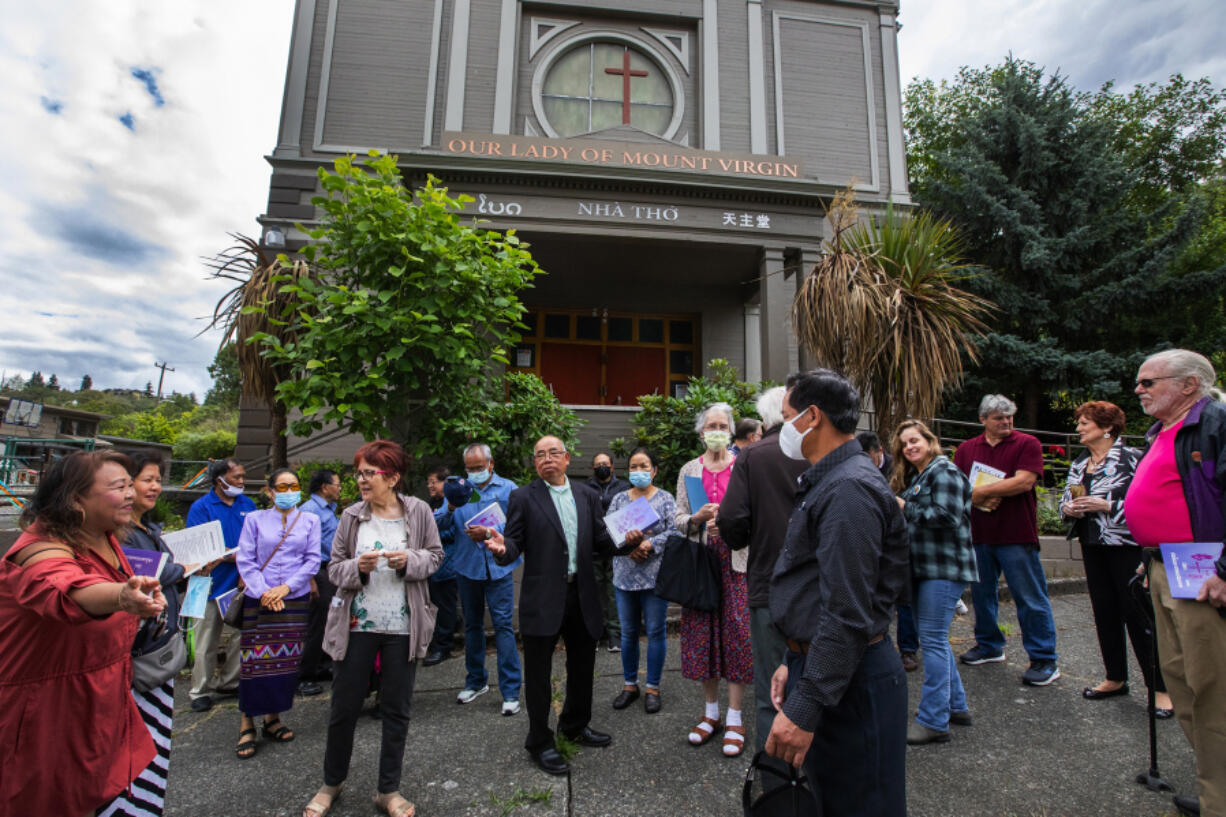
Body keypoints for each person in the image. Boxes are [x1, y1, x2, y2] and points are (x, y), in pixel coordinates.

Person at [766, 369, 909, 817]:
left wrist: (806, 705)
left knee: (861, 803)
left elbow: (846, 612)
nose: (780, 431)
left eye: (786, 418)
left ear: (812, 417)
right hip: (829, 668)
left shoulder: (849, 489)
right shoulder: (831, 479)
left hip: (855, 681)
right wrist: (796, 661)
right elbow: (816, 587)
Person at [0, 451, 165, 817]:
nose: (130, 494)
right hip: (47, 716)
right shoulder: (40, 549)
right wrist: (122, 596)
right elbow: (67, 588)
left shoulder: (103, 535)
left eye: (129, 485)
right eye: (118, 486)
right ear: (76, 499)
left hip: (99, 705)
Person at [304, 440, 442, 817]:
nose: (361, 480)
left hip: (403, 626)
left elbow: (434, 556)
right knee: (343, 708)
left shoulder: (419, 511)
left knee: (397, 710)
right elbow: (334, 569)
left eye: (370, 473)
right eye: (359, 473)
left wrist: (408, 560)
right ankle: (332, 783)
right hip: (355, 626)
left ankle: (388, 791)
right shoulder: (350, 516)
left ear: (393, 477)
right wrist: (357, 569)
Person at [485, 436, 626, 776]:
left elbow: (602, 541)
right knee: (537, 675)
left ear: (566, 459)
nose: (547, 459)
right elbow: (515, 541)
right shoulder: (523, 497)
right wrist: (504, 548)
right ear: (535, 463)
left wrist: (628, 538)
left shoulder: (587, 495)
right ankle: (539, 741)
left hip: (582, 593)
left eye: (553, 453)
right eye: (539, 455)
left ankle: (575, 726)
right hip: (543, 597)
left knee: (581, 667)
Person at [1124, 350, 1226, 817]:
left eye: (1149, 382)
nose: (1139, 389)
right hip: (1169, 568)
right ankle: (1214, 792)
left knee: (1212, 691)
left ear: (1188, 385)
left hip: (1207, 576)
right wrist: (1152, 558)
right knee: (1183, 685)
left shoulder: (1214, 423)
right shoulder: (1164, 431)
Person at [1059, 401, 1172, 716]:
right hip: (1092, 543)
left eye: (1085, 422)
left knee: (1137, 614)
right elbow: (1066, 497)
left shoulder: (1133, 458)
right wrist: (1067, 508)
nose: (1079, 427)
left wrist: (1108, 507)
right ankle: (1115, 677)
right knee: (1104, 611)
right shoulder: (1081, 463)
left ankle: (1160, 688)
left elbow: (1150, 501)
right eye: (1079, 422)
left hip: (1125, 545)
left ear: (1106, 427)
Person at [718, 385, 806, 764]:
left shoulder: (752, 455)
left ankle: (774, 782)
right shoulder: (823, 452)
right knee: (816, 679)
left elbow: (732, 521)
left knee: (771, 686)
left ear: (766, 418)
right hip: (819, 586)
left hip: (769, 581)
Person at [99, 454, 187, 817]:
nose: (153, 487)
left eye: (157, 480)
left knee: (154, 742)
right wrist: (181, 569)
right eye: (145, 479)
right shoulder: (122, 535)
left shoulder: (147, 529)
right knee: (132, 745)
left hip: (157, 646)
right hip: (137, 654)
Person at [953, 395, 1061, 686]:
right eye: (999, 417)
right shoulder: (966, 449)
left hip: (1016, 535)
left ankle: (1044, 658)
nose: (1006, 422)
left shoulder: (1027, 444)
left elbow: (1025, 481)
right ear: (983, 420)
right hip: (979, 535)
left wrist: (979, 493)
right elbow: (957, 486)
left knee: (1030, 597)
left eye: (1009, 416)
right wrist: (981, 494)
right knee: (981, 595)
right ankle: (988, 646)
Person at [890, 420, 977, 745]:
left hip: (944, 569)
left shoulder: (944, 471)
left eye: (915, 441)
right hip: (927, 569)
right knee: (935, 639)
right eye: (904, 444)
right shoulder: (922, 474)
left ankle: (933, 720)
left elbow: (947, 516)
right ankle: (956, 707)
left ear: (930, 440)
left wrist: (905, 507)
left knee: (934, 641)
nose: (909, 447)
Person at [675, 401, 752, 757]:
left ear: (731, 430)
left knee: (737, 634)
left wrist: (733, 523)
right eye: (710, 425)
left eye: (723, 425)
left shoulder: (745, 466)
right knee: (703, 634)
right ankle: (710, 714)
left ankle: (735, 717)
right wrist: (695, 518)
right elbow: (676, 517)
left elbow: (759, 514)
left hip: (736, 561)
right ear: (701, 432)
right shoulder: (689, 469)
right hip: (701, 561)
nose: (716, 430)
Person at [234, 468, 321, 760]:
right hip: (259, 599)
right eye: (282, 487)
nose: (288, 492)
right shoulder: (254, 520)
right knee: (254, 661)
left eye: (293, 486)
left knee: (284, 661)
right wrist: (264, 592)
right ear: (270, 491)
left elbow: (312, 560)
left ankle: (273, 718)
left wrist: (285, 588)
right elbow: (245, 559)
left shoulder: (310, 520)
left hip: (293, 598)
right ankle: (247, 722)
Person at [435, 443, 521, 714]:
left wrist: (489, 531)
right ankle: (475, 681)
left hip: (498, 567)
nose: (474, 473)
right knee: (472, 626)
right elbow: (436, 525)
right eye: (469, 469)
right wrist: (449, 507)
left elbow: (520, 524)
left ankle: (510, 691)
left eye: (479, 468)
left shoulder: (508, 489)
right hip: (467, 567)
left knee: (503, 626)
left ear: (491, 464)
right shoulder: (460, 491)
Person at [607, 447, 676, 714]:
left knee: (656, 631)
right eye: (633, 467)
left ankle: (653, 688)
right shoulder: (619, 499)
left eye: (644, 466)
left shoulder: (666, 499)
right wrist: (629, 547)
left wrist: (649, 544)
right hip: (625, 575)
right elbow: (608, 531)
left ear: (654, 470)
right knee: (628, 633)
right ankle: (629, 685)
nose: (638, 471)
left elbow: (675, 532)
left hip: (655, 577)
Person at [186, 458, 256, 712]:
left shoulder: (248, 505)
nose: (241, 481)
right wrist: (232, 554)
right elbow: (198, 544)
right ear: (220, 480)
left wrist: (241, 559)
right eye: (237, 477)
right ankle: (199, 690)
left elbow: (256, 539)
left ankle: (228, 681)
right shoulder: (201, 507)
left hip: (241, 581)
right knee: (206, 639)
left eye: (242, 476)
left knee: (241, 634)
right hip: (208, 582)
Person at [859, 430, 917, 670]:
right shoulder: (858, 468)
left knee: (904, 597)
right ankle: (875, 643)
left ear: (879, 451)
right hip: (872, 538)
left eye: (869, 458)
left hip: (897, 537)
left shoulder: (898, 468)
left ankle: (908, 649)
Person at [299, 468, 341, 695]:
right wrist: (311, 579)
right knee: (316, 624)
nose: (339, 488)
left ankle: (322, 666)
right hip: (318, 572)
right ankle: (304, 675)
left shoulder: (328, 510)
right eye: (337, 484)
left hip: (330, 570)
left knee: (329, 621)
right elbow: (303, 548)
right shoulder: (310, 511)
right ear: (325, 487)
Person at [587, 451, 629, 652]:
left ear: (612, 467)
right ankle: (595, 633)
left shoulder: (623, 487)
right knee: (593, 592)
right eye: (597, 464)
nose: (601, 467)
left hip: (616, 547)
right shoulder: (585, 488)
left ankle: (615, 634)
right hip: (593, 548)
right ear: (593, 468)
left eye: (605, 463)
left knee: (613, 593)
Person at [423, 465, 460, 667]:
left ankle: (443, 648)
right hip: (434, 564)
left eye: (433, 481)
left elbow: (455, 532)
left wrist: (431, 535)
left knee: (444, 608)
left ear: (445, 483)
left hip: (447, 564)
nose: (430, 485)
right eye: (428, 482)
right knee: (437, 606)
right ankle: (439, 642)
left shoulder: (452, 503)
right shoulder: (433, 503)